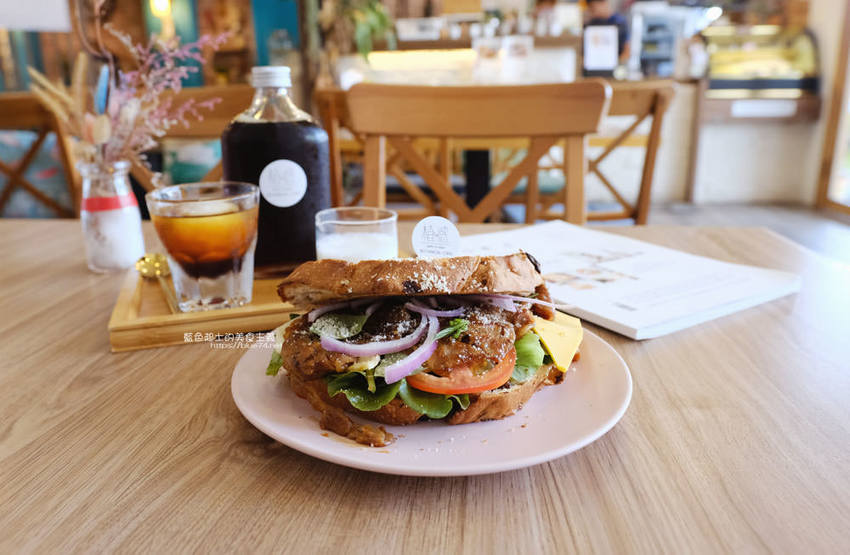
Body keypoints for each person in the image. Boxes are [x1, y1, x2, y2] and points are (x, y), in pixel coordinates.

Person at [585, 0, 631, 64]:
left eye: (593, 9)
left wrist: (617, 63)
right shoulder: (593, 23)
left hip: (616, 65)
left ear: (604, 3)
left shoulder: (619, 22)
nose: (593, 13)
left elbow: (627, 50)